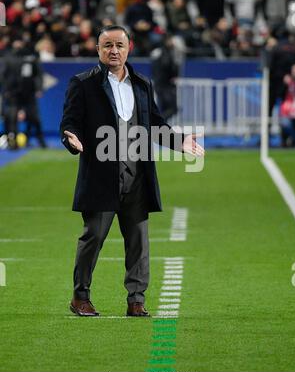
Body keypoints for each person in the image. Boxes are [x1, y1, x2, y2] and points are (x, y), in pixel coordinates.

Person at [60, 25, 203, 317]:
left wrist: (179, 141)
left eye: (119, 45)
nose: (114, 51)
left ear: (129, 48)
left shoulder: (142, 84)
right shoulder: (83, 83)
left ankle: (136, 300)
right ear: (98, 49)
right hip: (100, 175)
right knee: (93, 237)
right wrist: (69, 138)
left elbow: (155, 124)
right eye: (107, 45)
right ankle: (80, 297)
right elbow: (70, 121)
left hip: (137, 175)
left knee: (139, 242)